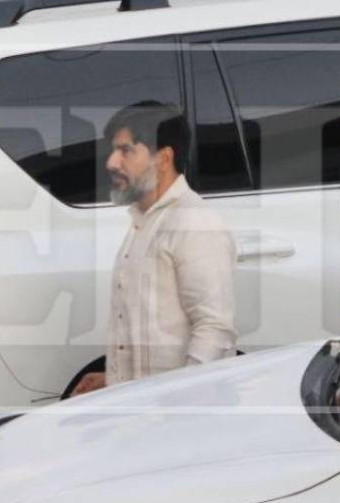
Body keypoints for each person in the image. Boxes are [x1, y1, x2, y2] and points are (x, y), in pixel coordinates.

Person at [72, 101, 237, 395]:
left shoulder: (193, 222)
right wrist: (113, 379)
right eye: (114, 150)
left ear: (163, 158)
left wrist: (182, 401)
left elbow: (214, 329)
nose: (112, 162)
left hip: (173, 411)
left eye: (126, 150)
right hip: (141, 407)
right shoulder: (144, 221)